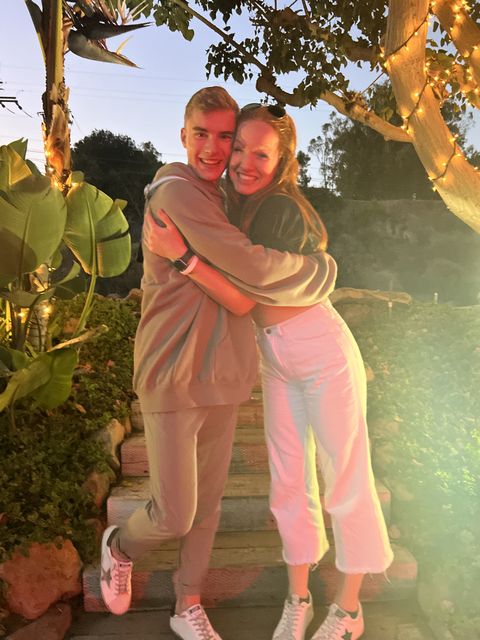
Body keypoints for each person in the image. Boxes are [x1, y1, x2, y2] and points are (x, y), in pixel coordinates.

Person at [143, 104, 394, 640]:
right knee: (288, 481)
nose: (243, 161)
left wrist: (185, 256)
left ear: (282, 161)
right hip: (277, 359)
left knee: (345, 477)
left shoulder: (279, 208)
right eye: (239, 148)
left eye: (261, 154)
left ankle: (349, 610)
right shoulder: (232, 205)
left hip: (321, 351)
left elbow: (249, 280)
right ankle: (298, 598)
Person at [100, 87, 337, 640]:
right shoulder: (178, 193)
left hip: (224, 375)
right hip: (173, 372)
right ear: (183, 136)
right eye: (201, 135)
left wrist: (192, 261)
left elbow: (240, 297)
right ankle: (121, 546)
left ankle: (187, 604)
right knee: (175, 512)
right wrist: (322, 270)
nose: (214, 149)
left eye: (225, 137)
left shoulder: (225, 200)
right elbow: (250, 271)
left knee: (207, 508)